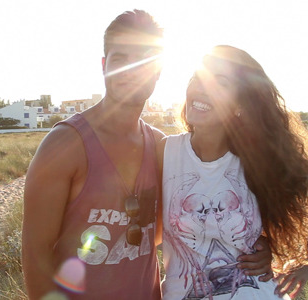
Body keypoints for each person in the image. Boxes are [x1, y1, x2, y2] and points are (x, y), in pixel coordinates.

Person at [22, 10, 273, 299]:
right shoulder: (65, 145)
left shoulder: (161, 148)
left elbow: (174, 228)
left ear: (158, 72)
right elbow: (35, 252)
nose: (131, 71)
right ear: (104, 66)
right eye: (120, 59)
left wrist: (261, 245)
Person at [157, 45, 308, 299]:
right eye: (197, 77)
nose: (201, 87)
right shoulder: (165, 152)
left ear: (240, 104)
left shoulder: (257, 157)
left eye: (220, 82)